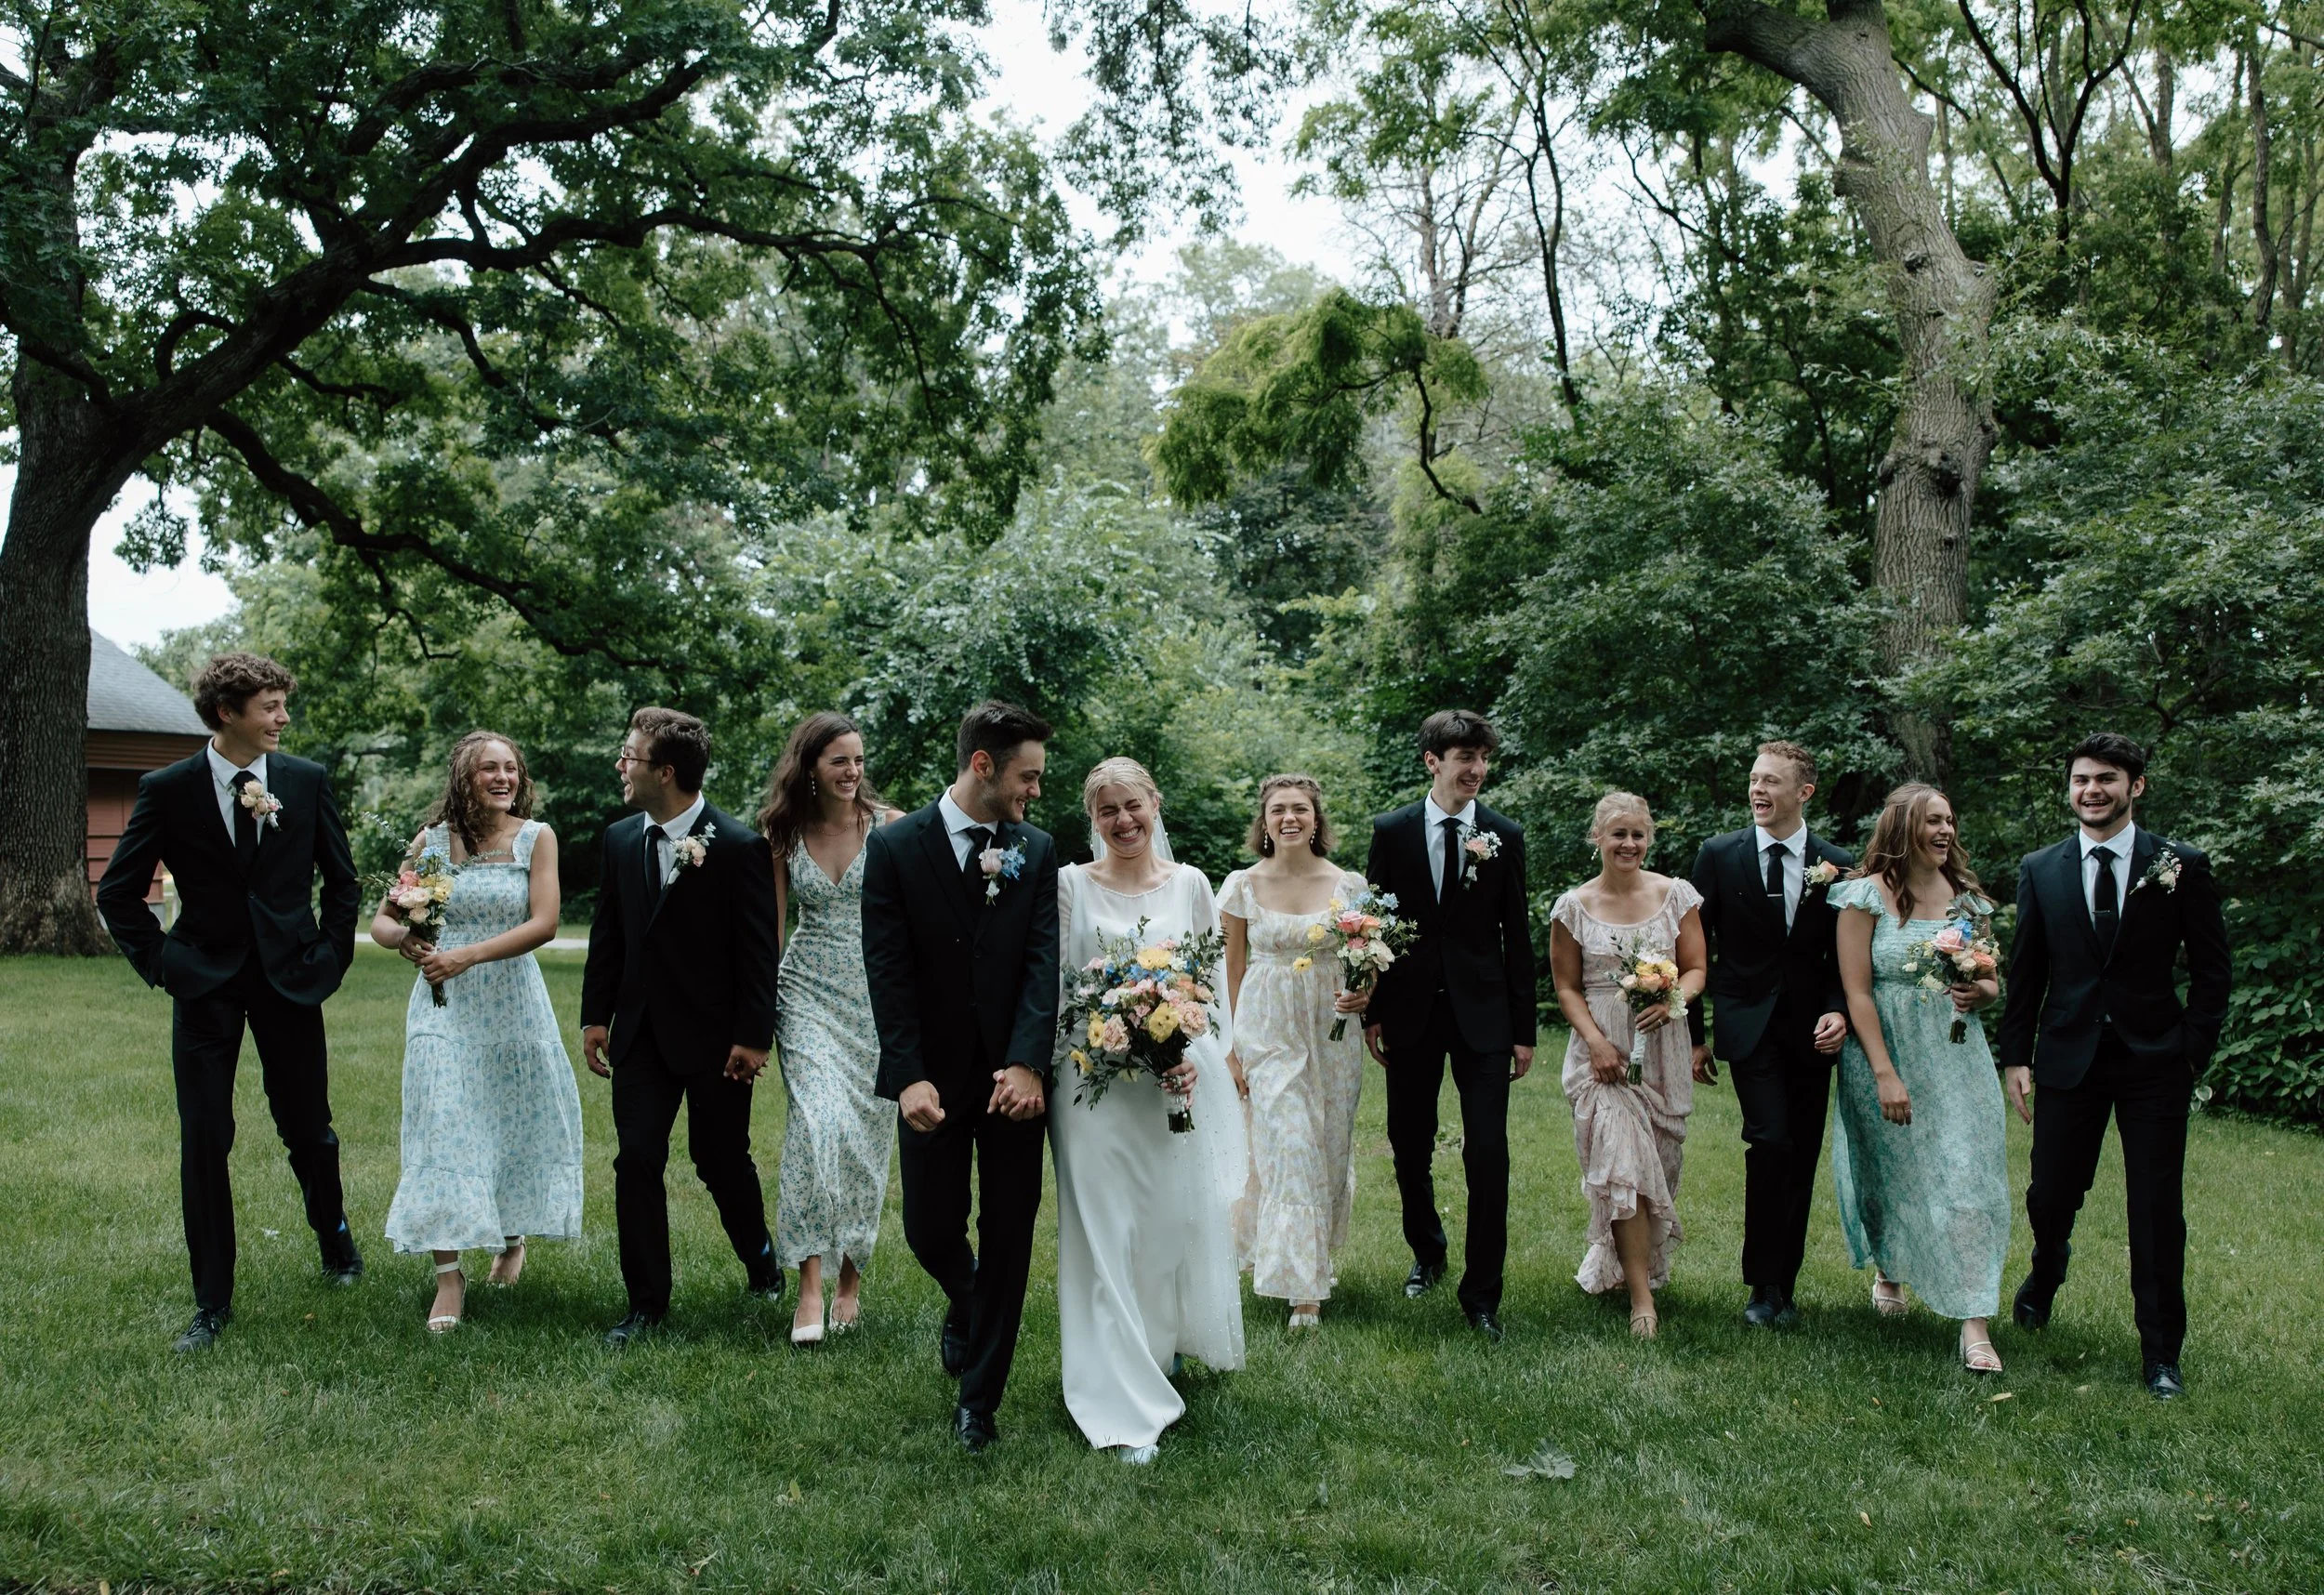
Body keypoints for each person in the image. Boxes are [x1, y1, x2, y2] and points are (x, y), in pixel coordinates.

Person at [96, 652, 363, 1352]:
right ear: (226, 713)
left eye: (282, 705)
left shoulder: (305, 781)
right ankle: (211, 1301)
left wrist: (330, 958)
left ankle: (335, 1237)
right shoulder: (168, 789)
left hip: (290, 979)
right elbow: (117, 893)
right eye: (270, 707)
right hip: (204, 983)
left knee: (308, 1126)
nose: (283, 718)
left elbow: (342, 883)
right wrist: (164, 964)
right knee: (205, 1137)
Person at [1998, 732, 2232, 1401]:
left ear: (2136, 787)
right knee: (2050, 1193)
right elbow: (2027, 972)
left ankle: (2161, 1353)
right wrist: (2016, 1056)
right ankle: (2047, 1269)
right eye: (2081, 779)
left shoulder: (2180, 865)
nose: (2092, 790)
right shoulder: (2041, 868)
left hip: (2155, 1061)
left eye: (2106, 779)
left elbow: (2213, 969)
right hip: (2067, 1057)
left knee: (2156, 1208)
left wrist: (2190, 1049)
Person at [860, 701, 1061, 1454]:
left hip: (1015, 1084)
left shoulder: (1036, 849)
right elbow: (888, 971)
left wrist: (1028, 1062)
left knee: (1009, 1233)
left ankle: (979, 1402)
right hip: (933, 1081)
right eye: (1027, 776)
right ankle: (968, 1300)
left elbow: (1042, 962)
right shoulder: (896, 847)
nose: (1035, 790)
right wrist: (908, 1076)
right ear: (983, 766)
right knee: (929, 1228)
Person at [1053, 758, 1247, 1461]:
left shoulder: (1191, 884)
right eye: (1107, 810)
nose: (1123, 821)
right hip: (1091, 1084)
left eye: (1132, 805)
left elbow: (1210, 989)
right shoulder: (1070, 885)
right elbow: (1058, 988)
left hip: (1169, 1081)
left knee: (1167, 1227)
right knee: (1106, 1232)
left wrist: (1196, 1056)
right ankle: (1119, 1399)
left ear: (1154, 804)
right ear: (1093, 818)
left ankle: (1156, 1347)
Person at [579, 707, 784, 1346]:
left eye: (630, 755)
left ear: (664, 772)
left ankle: (761, 1259)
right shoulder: (619, 840)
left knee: (719, 1160)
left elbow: (759, 954)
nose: (621, 764)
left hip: (717, 1040)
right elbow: (608, 935)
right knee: (636, 1158)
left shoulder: (740, 847)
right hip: (640, 1034)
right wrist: (595, 1016)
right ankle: (646, 1304)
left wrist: (753, 1037)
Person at [376, 732, 583, 1332]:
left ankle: (510, 1238)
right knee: (442, 1127)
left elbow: (545, 923)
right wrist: (406, 938)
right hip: (443, 1008)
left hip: (512, 1003)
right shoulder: (432, 843)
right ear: (464, 778)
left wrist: (467, 955)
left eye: (510, 768)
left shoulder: (535, 838)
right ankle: (449, 1276)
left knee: (506, 1121)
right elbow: (384, 920)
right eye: (488, 768)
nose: (502, 778)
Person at [1363, 710, 1537, 1341]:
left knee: (1488, 1152)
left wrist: (1523, 1029)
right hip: (1410, 1012)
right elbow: (1372, 927)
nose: (1478, 769)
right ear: (1432, 761)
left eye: (1483, 757)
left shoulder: (1503, 835)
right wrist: (1374, 1010)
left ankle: (1482, 1294)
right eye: (1466, 757)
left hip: (1484, 1017)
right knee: (1409, 1143)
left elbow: (1516, 935)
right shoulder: (1392, 831)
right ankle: (1428, 1250)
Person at [1826, 784, 2011, 1373]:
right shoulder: (1864, 897)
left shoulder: (1967, 901)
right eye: (1933, 821)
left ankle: (1974, 1321)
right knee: (1891, 1172)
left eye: (1949, 820)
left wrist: (1982, 991)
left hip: (1957, 1057)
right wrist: (1885, 1074)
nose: (1945, 830)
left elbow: (1990, 977)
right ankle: (1890, 1269)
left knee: (1968, 1177)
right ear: (1904, 827)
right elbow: (1857, 991)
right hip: (1884, 1053)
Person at [1686, 740, 1855, 1328]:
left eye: (1771, 782)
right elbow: (1693, 949)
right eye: (1755, 779)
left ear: (1803, 792)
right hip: (1748, 1026)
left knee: (1801, 1153)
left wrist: (1839, 1011)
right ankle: (1761, 1285)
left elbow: (1844, 955)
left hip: (1812, 1032)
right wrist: (1695, 1037)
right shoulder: (1718, 855)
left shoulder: (1837, 862)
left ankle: (1786, 1283)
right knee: (1770, 1142)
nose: (1758, 789)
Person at [759, 711, 900, 1347]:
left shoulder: (891, 827)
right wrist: (755, 1018)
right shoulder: (782, 832)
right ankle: (809, 1286)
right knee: (816, 1127)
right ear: (811, 765)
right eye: (839, 760)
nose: (852, 771)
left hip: (876, 1001)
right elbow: (772, 932)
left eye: (859, 760)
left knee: (864, 1145)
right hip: (806, 993)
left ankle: (850, 1281)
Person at [1548, 794, 1706, 1339]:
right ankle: (1642, 1300)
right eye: (1618, 834)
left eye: (1638, 834)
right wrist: (1596, 1042)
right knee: (1624, 1166)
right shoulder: (1572, 906)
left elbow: (1696, 968)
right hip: (1603, 1057)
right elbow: (1566, 987)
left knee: (1658, 1166)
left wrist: (1674, 1000)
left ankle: (1628, 1265)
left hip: (1661, 1047)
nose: (1629, 844)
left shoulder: (1675, 895)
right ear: (1598, 838)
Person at [1220, 775, 1371, 1330]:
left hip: (1331, 1032)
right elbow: (1230, 971)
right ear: (1264, 822)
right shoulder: (1241, 886)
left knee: (1327, 1146)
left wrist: (1363, 992)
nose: (1289, 818)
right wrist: (1231, 1050)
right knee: (1290, 1143)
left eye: (1300, 809)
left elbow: (1365, 961)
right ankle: (1303, 1292)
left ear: (1315, 818)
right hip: (1266, 1029)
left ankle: (1307, 1258)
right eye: (1278, 810)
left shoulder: (1348, 886)